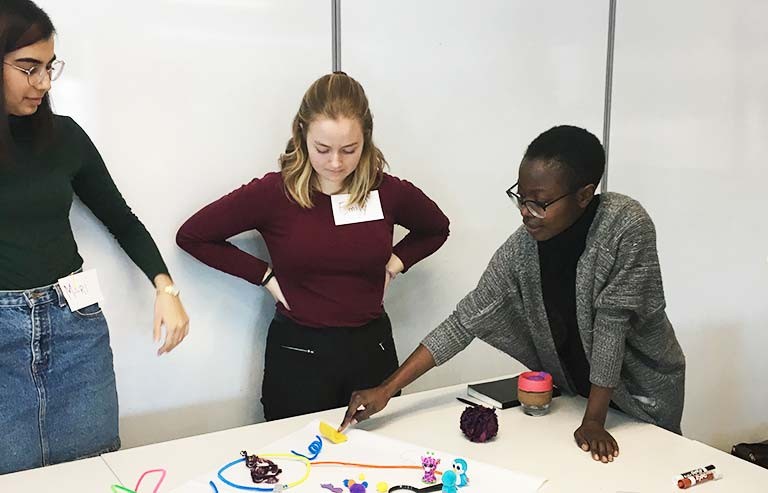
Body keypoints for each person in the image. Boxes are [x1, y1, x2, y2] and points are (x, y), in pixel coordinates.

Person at [340, 125, 686, 464]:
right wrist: (386, 390)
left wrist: (594, 421)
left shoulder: (624, 226)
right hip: (579, 401)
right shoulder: (523, 248)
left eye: (539, 203)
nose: (525, 213)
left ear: (583, 195)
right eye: (520, 198)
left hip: (641, 396)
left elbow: (612, 325)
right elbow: (464, 321)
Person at [177, 72, 450, 421]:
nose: (336, 162)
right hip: (298, 355)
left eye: (349, 150)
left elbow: (436, 228)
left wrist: (394, 265)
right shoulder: (274, 193)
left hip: (371, 353)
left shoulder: (387, 192)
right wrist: (264, 276)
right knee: (293, 463)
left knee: (381, 461)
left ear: (366, 139)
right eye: (323, 149)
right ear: (301, 134)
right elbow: (193, 236)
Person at [0, 0, 189, 474]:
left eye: (49, 67)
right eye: (28, 68)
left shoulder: (64, 137)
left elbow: (121, 219)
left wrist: (166, 288)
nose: (43, 83)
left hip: (73, 327)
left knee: (96, 470)